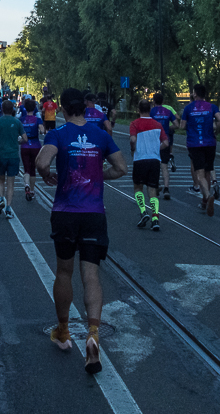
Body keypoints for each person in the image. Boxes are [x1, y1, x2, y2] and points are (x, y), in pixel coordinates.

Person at [36, 88, 126, 375]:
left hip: (64, 212)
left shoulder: (58, 135)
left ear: (63, 110)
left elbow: (41, 162)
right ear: (85, 109)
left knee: (64, 272)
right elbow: (121, 168)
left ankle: (63, 331)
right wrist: (100, 175)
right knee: (92, 275)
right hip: (93, 213)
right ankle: (93, 334)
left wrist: (48, 174)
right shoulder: (100, 135)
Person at [180, 84, 220, 216]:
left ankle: (207, 195)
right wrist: (216, 130)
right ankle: (205, 201)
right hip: (210, 142)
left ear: (195, 94)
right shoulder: (212, 107)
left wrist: (192, 124)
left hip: (194, 143)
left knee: (199, 174)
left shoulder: (188, 108)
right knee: (207, 171)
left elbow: (182, 126)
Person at [129, 100, 169, 230]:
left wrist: (133, 149)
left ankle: (143, 212)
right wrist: (156, 148)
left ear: (138, 109)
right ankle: (155, 218)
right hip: (154, 160)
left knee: (138, 187)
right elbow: (166, 143)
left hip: (140, 159)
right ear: (150, 109)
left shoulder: (134, 124)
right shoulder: (157, 124)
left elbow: (133, 139)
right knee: (152, 190)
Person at [0, 100, 27, 218]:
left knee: (0, 180)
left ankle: (1, 199)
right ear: (13, 110)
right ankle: (9, 209)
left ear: (2, 109)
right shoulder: (17, 122)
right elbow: (25, 138)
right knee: (11, 184)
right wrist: (18, 141)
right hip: (13, 155)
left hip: (1, 155)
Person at [149, 93, 178, 200]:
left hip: (154, 141)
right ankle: (166, 188)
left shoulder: (151, 112)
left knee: (154, 165)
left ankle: (156, 185)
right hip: (165, 140)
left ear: (154, 101)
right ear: (163, 101)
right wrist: (167, 128)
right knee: (164, 165)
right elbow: (177, 125)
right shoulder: (168, 111)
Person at [18, 97, 44, 201]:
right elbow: (42, 131)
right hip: (35, 145)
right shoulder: (37, 119)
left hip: (24, 146)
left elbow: (18, 133)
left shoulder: (21, 120)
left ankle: (26, 184)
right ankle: (32, 190)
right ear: (34, 109)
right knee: (33, 168)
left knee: (26, 168)